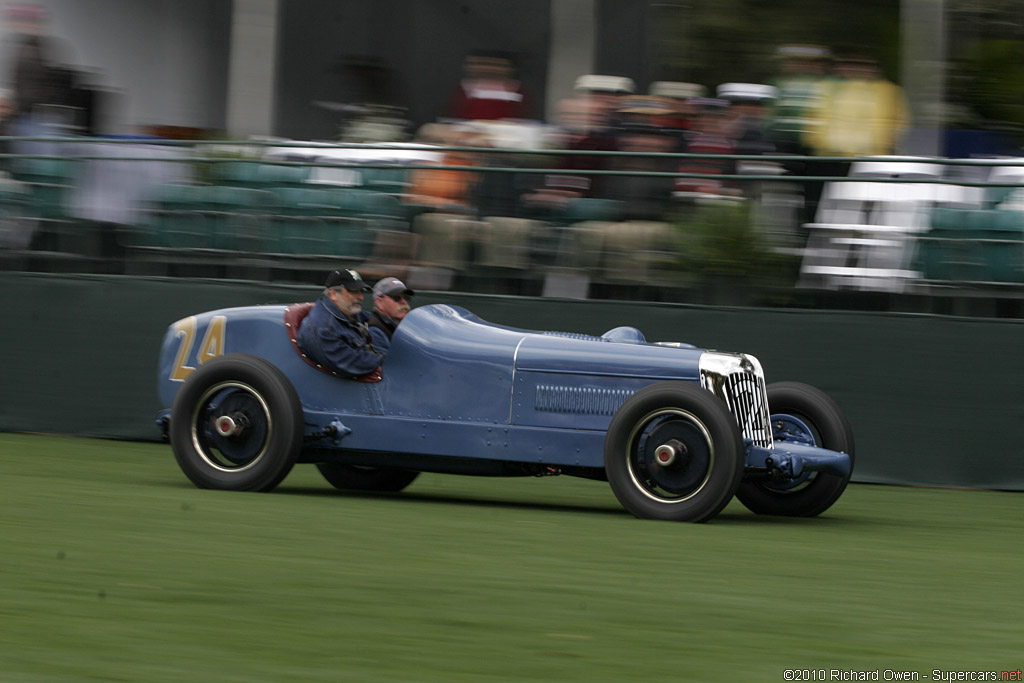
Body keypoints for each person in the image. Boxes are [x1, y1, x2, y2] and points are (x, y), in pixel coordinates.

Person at [296, 269, 389, 377]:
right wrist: (387, 357)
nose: (361, 297)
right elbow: (352, 363)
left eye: (361, 291)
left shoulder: (347, 311)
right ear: (333, 294)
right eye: (353, 291)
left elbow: (378, 321)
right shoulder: (324, 328)